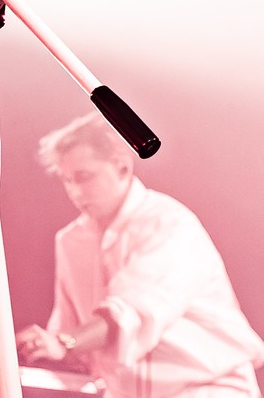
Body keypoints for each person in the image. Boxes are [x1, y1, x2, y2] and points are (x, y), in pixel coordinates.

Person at [18, 114, 263, 398]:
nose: (75, 191)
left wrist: (64, 342)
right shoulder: (70, 241)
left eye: (84, 177)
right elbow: (70, 336)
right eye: (67, 180)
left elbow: (131, 311)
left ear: (122, 166)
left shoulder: (168, 222)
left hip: (209, 389)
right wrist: (29, 348)